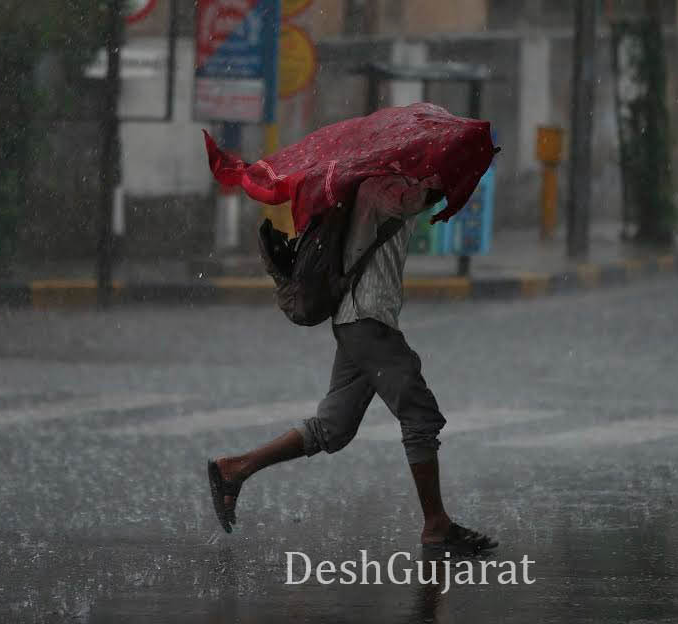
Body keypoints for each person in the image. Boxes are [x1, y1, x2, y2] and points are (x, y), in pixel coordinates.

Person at [207, 174, 498, 555]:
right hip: (368, 318)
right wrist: (461, 171)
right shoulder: (382, 187)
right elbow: (425, 197)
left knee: (334, 427)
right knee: (419, 415)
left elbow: (423, 201)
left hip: (356, 319)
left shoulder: (371, 185)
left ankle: (236, 468)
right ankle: (436, 524)